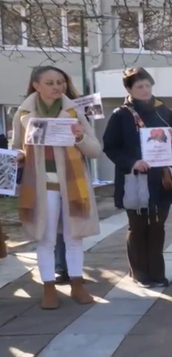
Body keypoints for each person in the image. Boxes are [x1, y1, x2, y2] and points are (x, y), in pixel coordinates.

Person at [13, 66, 100, 309]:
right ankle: (48, 288)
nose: (57, 87)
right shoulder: (23, 113)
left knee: (74, 238)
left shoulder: (74, 111)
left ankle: (77, 284)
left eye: (60, 82)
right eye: (50, 83)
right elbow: (17, 148)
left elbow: (95, 150)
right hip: (41, 186)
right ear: (36, 86)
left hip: (72, 185)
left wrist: (80, 137)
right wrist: (18, 157)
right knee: (45, 238)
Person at [103, 67, 172, 288]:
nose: (145, 90)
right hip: (135, 179)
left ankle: (157, 272)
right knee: (138, 226)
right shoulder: (121, 115)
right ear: (129, 89)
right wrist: (132, 162)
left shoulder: (162, 110)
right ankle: (139, 273)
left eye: (148, 85)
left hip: (161, 179)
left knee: (158, 226)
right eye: (139, 86)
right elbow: (110, 146)